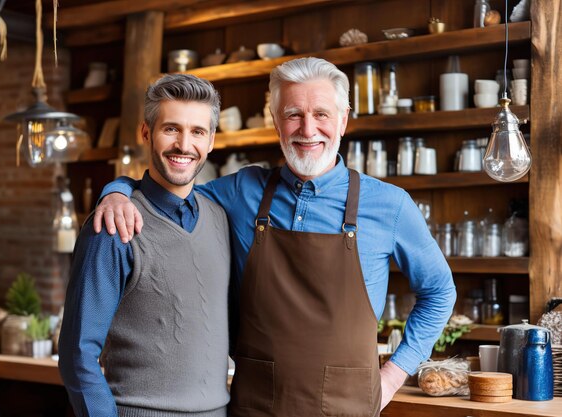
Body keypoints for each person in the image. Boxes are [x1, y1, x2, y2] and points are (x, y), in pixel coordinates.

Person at [94, 57, 456, 416]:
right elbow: (170, 188)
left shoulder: (389, 205)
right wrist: (118, 190)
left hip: (349, 408)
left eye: (322, 114)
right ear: (276, 121)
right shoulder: (240, 191)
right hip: (255, 407)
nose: (308, 129)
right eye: (294, 114)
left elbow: (440, 291)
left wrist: (394, 374)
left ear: (343, 120)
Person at [58, 73, 232, 417]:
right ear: (146, 133)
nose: (184, 144)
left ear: (211, 141)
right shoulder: (111, 226)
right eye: (171, 129)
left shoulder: (220, 217)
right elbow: (77, 353)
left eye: (197, 131)